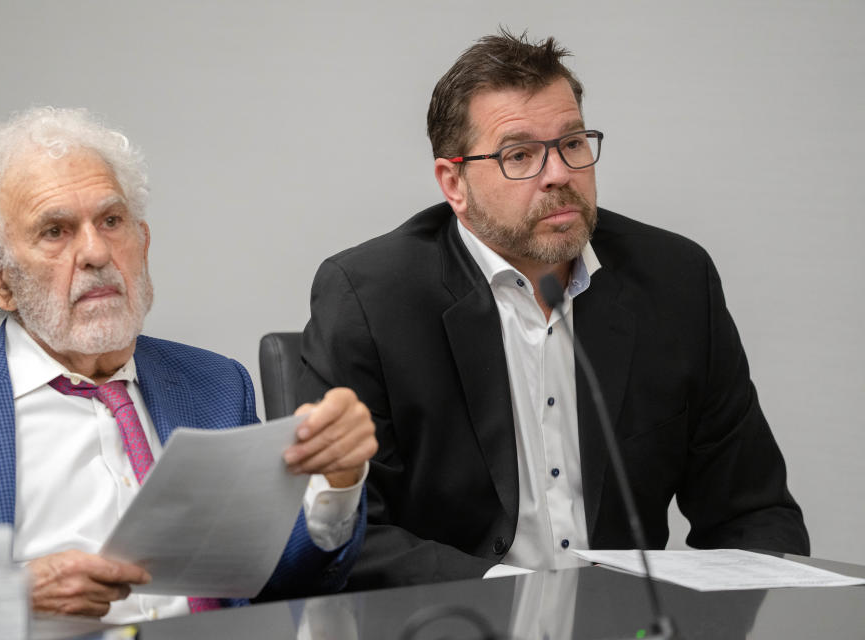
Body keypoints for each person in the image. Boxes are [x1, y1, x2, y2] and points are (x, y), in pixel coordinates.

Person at [298, 30, 810, 590]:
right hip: (460, 621)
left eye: (572, 144)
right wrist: (511, 602)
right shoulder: (371, 298)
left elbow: (754, 514)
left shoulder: (675, 281)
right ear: (455, 183)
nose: (559, 174)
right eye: (520, 155)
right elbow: (344, 539)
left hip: (627, 625)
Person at [0, 107, 377, 621]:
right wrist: (6, 594)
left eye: (111, 221)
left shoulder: (215, 383)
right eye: (55, 231)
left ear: (143, 243)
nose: (96, 252)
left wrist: (336, 485)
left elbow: (275, 587)